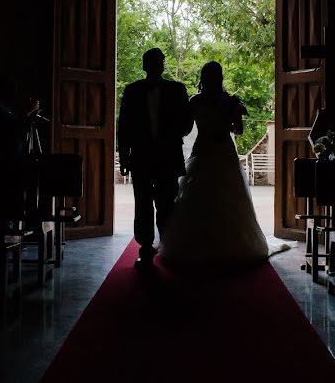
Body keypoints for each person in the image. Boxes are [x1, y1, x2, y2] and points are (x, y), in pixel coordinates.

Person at [160, 61, 274, 271]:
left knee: (199, 197)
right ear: (220, 77)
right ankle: (231, 246)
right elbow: (238, 131)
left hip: (203, 149)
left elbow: (184, 130)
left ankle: (194, 247)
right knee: (226, 198)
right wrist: (227, 122)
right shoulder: (230, 102)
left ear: (202, 78)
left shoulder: (195, 101)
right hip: (221, 150)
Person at [117, 48, 193, 269]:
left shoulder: (177, 90)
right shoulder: (132, 91)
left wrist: (171, 134)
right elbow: (123, 127)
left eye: (157, 61)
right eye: (151, 61)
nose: (155, 65)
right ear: (145, 66)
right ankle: (145, 249)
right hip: (140, 158)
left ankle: (167, 245)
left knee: (166, 204)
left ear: (162, 65)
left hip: (167, 158)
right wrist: (123, 158)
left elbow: (187, 124)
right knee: (142, 205)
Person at [0, 75, 41, 155]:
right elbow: (13, 128)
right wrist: (29, 111)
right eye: (11, 89)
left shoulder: (7, 107)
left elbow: (19, 128)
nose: (14, 93)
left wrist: (30, 114)